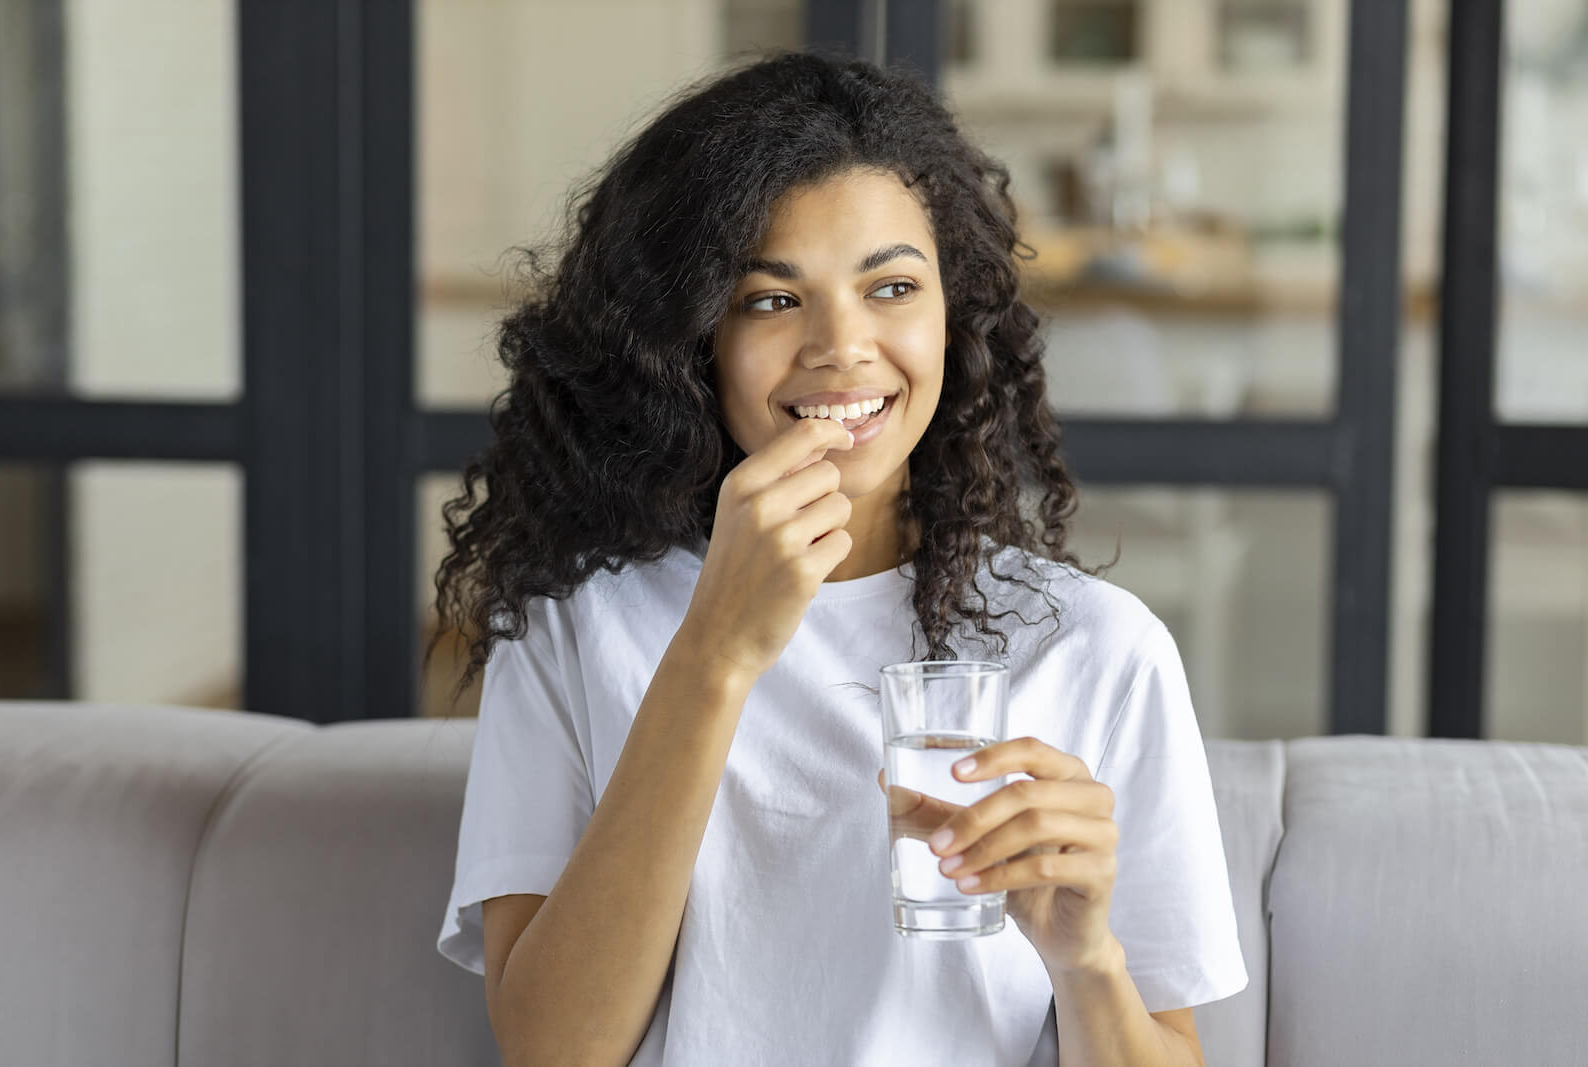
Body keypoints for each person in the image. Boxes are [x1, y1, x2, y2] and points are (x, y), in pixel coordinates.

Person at [427, 50, 1246, 1066]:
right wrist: (715, 652)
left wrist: (1087, 960)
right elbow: (552, 1049)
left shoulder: (1096, 648)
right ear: (690, 340)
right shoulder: (574, 625)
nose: (843, 346)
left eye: (892, 286)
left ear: (955, 315)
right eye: (772, 300)